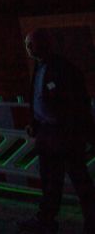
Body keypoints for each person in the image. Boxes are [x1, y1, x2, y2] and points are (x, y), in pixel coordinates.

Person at [17, 29, 95, 233]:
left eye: (31, 44)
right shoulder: (40, 67)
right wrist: (35, 123)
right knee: (50, 181)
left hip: (64, 134)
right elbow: (38, 98)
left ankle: (91, 220)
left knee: (79, 179)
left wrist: (79, 132)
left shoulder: (63, 69)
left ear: (45, 44)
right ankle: (46, 219)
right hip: (47, 133)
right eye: (27, 44)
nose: (28, 48)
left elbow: (78, 104)